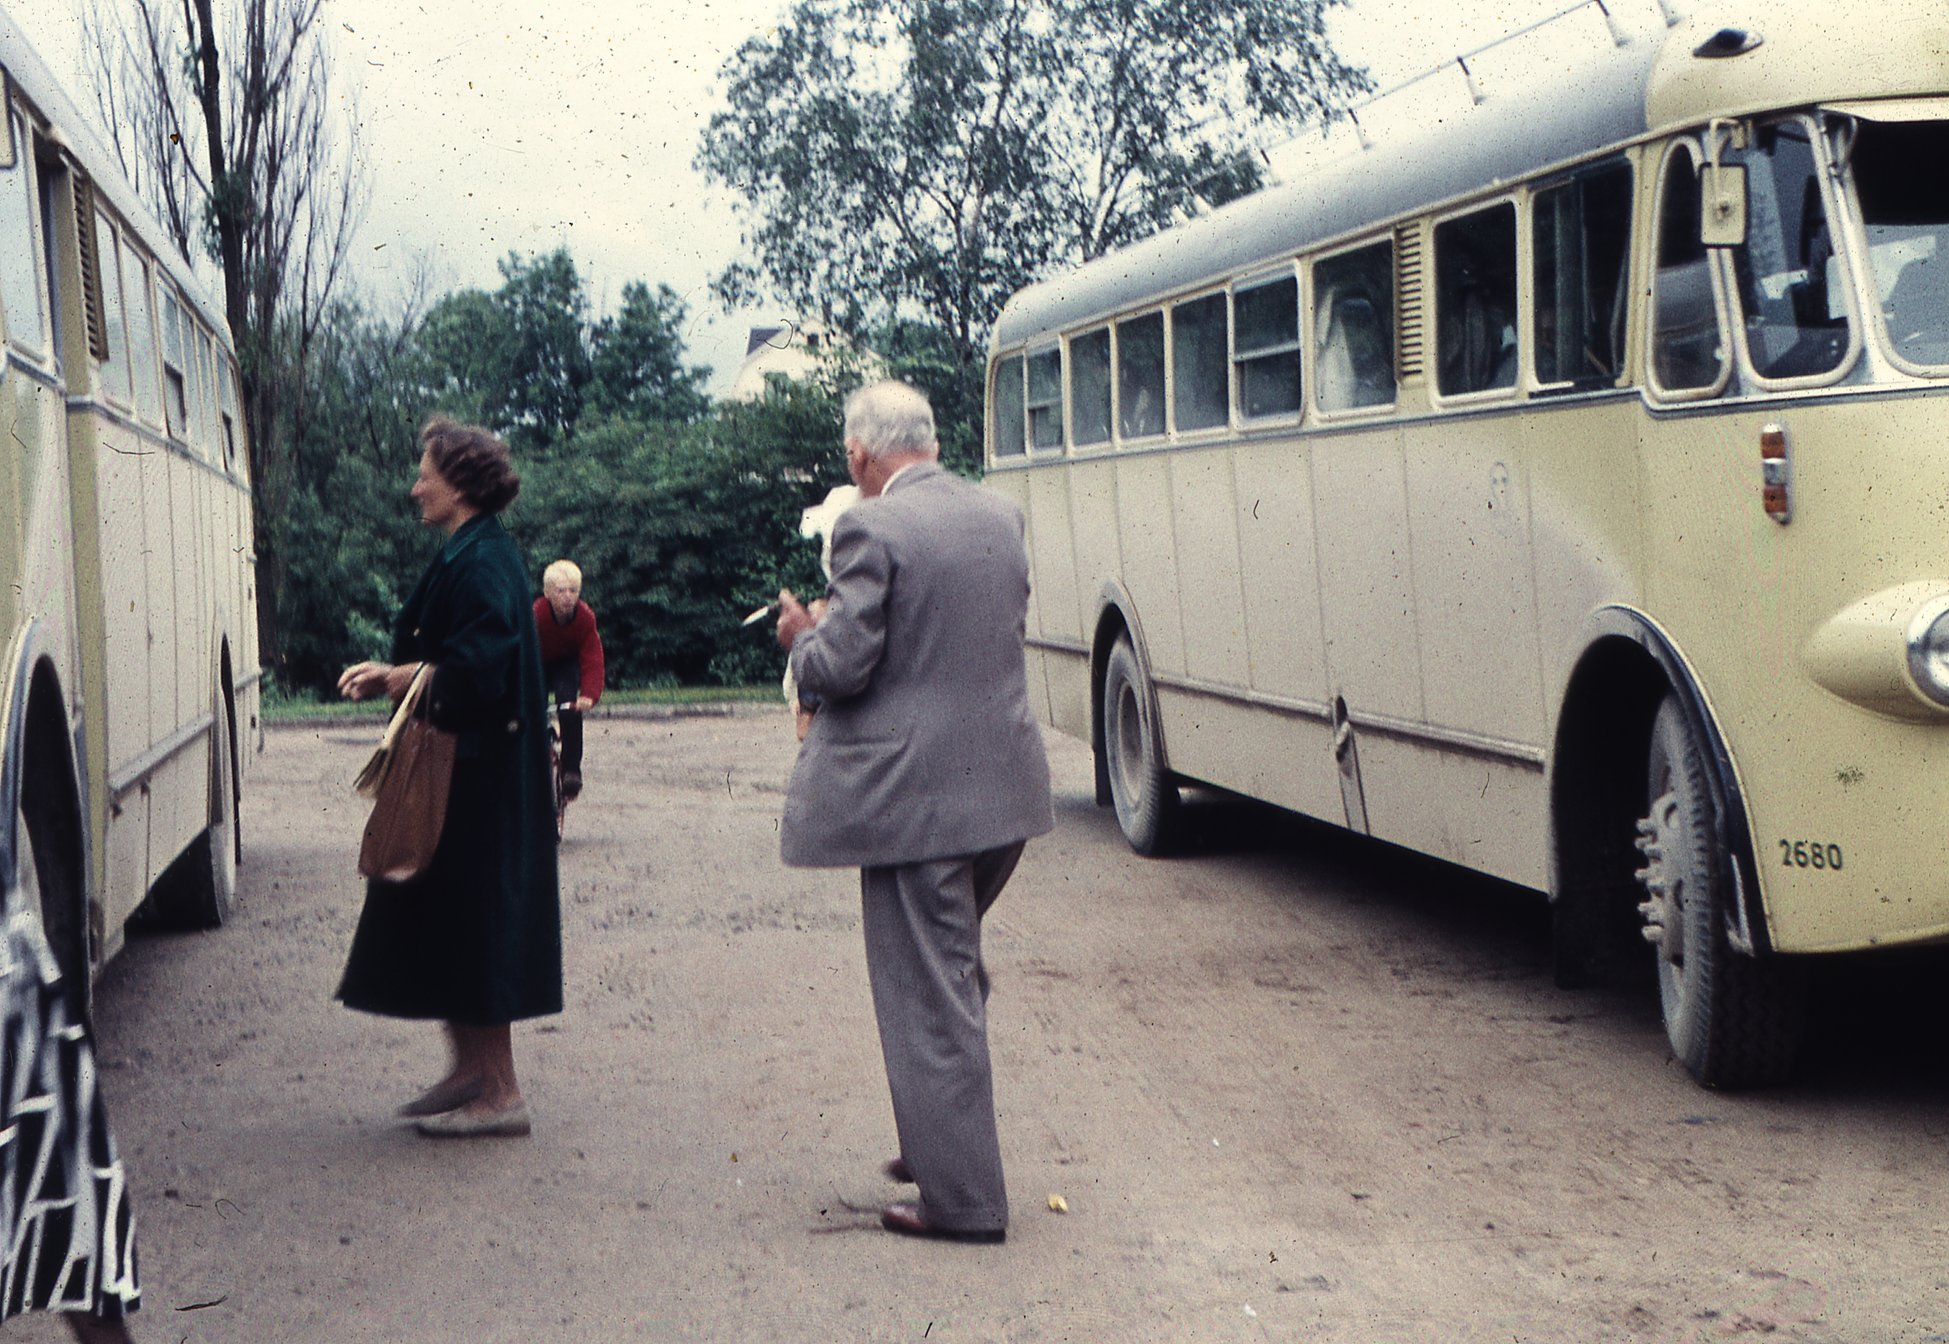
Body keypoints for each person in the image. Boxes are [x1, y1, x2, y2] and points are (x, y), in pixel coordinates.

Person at [775, 380, 1053, 1243]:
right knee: (949, 974)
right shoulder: (999, 516)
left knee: (931, 992)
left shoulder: (870, 526)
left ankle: (963, 1201)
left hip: (917, 806)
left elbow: (843, 666)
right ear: (928, 442)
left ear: (860, 455)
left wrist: (799, 638)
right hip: (1003, 795)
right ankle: (938, 1137)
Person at [337, 418, 562, 1138]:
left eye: (425, 472)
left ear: (458, 481)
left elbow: (476, 670)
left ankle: (500, 1094)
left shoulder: (485, 558)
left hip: (480, 780)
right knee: (450, 924)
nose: (415, 486)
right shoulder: (472, 549)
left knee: (477, 928)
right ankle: (470, 1074)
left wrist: (391, 677)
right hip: (462, 772)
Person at [532, 559, 605, 799]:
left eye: (573, 590)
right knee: (530, 708)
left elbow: (592, 656)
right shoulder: (536, 614)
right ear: (547, 594)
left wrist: (589, 695)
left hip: (566, 663)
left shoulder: (584, 617)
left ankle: (571, 770)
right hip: (536, 661)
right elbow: (520, 651)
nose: (567, 597)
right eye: (561, 591)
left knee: (568, 705)